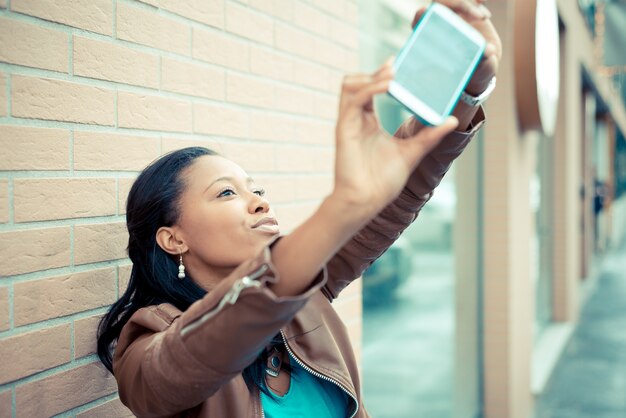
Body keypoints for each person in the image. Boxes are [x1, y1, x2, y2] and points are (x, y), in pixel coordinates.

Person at [97, 1, 501, 416]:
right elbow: (206, 346)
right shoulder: (146, 348)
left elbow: (401, 189)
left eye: (256, 189)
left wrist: (466, 90)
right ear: (172, 238)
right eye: (226, 193)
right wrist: (342, 206)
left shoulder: (308, 296)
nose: (259, 202)